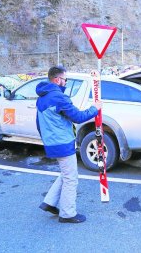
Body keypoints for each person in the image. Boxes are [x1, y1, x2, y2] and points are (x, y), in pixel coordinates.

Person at [36, 65, 102, 223]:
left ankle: (49, 202)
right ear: (57, 80)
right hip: (63, 143)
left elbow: (39, 123)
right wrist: (95, 108)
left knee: (66, 173)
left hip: (52, 143)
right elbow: (78, 117)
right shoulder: (59, 97)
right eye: (65, 80)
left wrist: (48, 139)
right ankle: (67, 213)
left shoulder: (42, 97)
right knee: (71, 178)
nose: (66, 83)